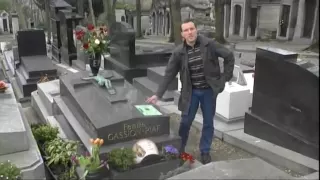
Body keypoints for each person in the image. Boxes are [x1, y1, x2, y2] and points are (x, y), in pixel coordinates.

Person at [146, 19, 235, 164]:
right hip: (191, 92)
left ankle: (205, 151)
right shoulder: (179, 52)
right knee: (186, 122)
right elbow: (169, 73)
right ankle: (180, 149)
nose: (190, 32)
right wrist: (158, 94)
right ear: (182, 34)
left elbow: (229, 56)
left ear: (196, 30)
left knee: (208, 123)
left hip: (208, 92)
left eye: (192, 29)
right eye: (186, 30)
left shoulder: (209, 44)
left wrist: (224, 79)